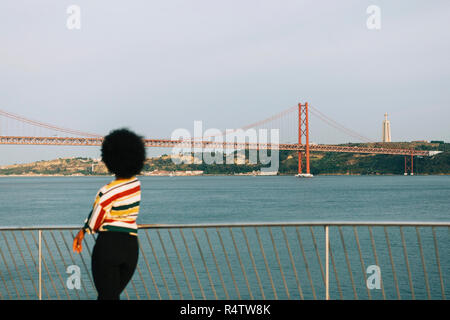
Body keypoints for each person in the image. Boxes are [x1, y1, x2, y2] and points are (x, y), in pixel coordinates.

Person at [72, 128, 146, 300]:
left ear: (109, 160)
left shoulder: (107, 192)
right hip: (131, 247)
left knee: (106, 296)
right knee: (111, 296)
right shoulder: (136, 185)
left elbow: (95, 220)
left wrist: (82, 232)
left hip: (108, 246)